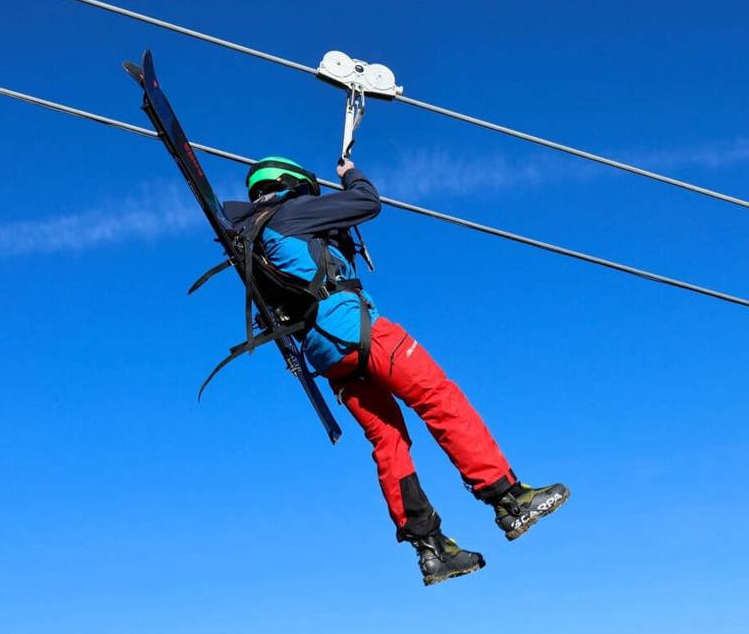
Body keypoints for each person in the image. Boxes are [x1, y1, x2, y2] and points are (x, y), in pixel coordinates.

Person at [223, 156, 569, 586]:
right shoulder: (292, 211)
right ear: (293, 185)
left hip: (327, 355)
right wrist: (351, 175)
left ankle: (431, 549)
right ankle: (509, 498)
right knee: (439, 398)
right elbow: (367, 202)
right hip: (357, 329)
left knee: (389, 440)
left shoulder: (253, 238)